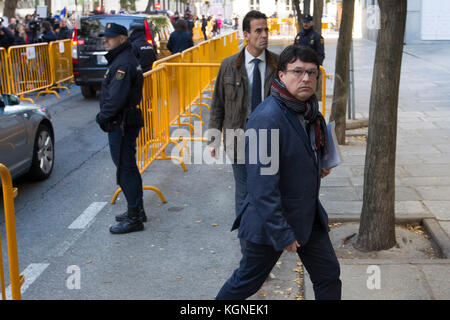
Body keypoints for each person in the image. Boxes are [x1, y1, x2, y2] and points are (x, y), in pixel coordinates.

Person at [216, 45, 341, 300]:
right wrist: (281, 232)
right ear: (281, 75)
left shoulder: (307, 110)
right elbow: (262, 186)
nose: (306, 78)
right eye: (297, 71)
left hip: (307, 214)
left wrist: (316, 167)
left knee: (328, 275)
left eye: (312, 73)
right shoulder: (268, 118)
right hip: (270, 219)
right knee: (246, 282)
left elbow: (296, 154)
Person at [208, 10, 278, 218]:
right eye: (258, 31)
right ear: (246, 35)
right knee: (244, 189)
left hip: (269, 137)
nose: (264, 35)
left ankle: (266, 234)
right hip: (237, 136)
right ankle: (246, 237)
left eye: (266, 30)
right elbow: (218, 103)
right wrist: (213, 139)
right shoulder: (229, 65)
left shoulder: (278, 64)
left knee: (268, 188)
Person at [95, 23, 146, 234]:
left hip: (122, 122)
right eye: (105, 37)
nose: (106, 40)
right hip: (124, 121)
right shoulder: (122, 59)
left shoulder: (122, 63)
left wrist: (102, 116)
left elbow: (115, 98)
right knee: (128, 167)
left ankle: (134, 217)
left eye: (111, 37)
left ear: (123, 39)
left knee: (125, 169)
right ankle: (137, 210)